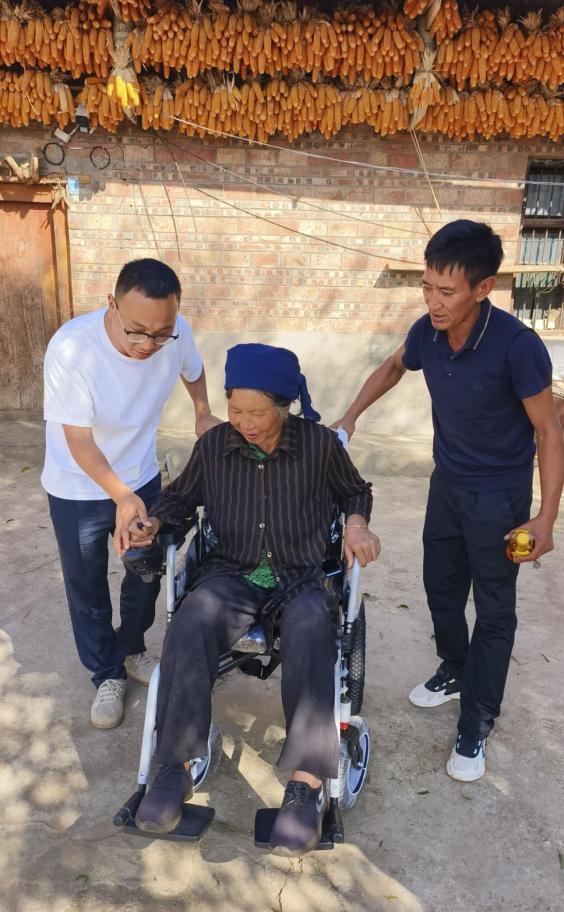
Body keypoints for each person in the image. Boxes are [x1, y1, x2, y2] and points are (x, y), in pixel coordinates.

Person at [121, 343, 380, 854]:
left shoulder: (319, 445)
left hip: (301, 574)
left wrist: (355, 524)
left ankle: (306, 786)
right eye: (235, 409)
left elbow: (356, 491)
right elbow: (180, 500)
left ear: (285, 406)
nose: (244, 422)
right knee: (191, 620)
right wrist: (153, 523)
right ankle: (173, 767)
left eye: (257, 413)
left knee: (312, 628)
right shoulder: (215, 445)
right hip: (233, 572)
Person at [334, 220, 564, 783]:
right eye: (427, 287)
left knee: (494, 609)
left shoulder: (517, 347)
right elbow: (394, 366)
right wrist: (350, 415)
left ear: (482, 289)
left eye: (447, 291)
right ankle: (455, 669)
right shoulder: (428, 333)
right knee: (440, 586)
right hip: (447, 484)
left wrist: (545, 517)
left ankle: (476, 722)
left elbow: (549, 431)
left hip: (499, 496)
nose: (433, 302)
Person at [42, 258, 219, 731]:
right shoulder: (72, 348)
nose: (148, 345)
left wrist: (202, 411)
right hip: (77, 485)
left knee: (145, 570)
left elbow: (193, 370)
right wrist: (120, 495)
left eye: (160, 335)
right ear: (112, 305)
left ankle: (132, 646)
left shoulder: (175, 332)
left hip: (139, 475)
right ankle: (106, 674)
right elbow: (79, 440)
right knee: (87, 584)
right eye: (137, 332)